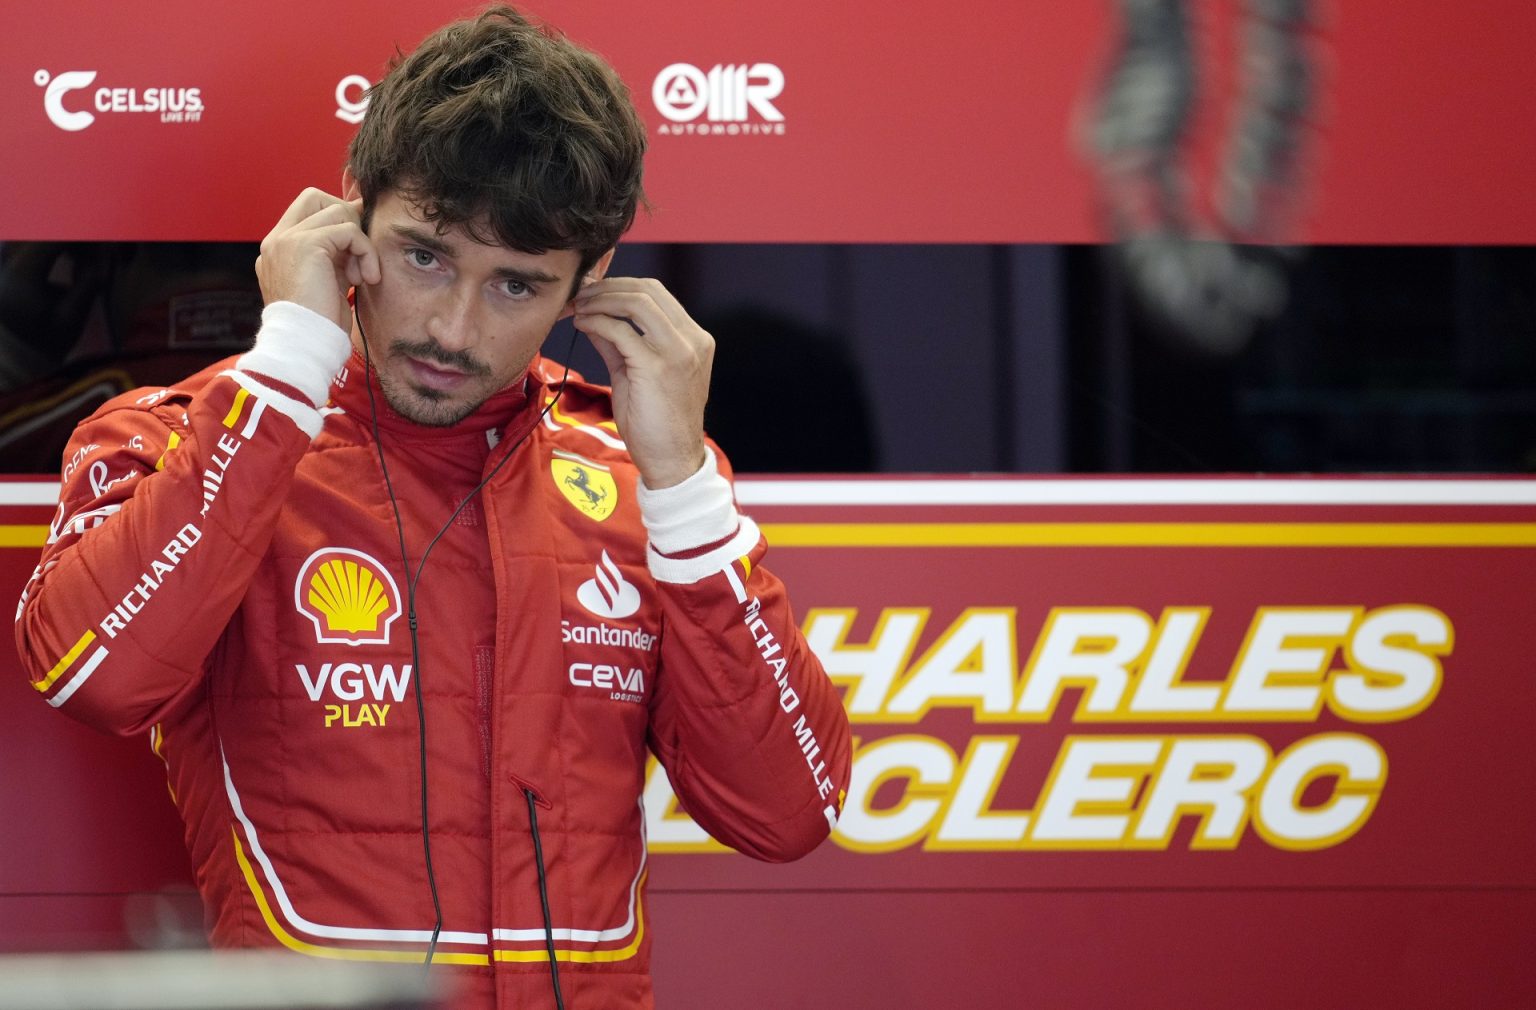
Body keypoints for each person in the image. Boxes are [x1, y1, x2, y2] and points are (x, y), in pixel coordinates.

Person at [13, 7, 852, 1008]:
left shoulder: (647, 479)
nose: (453, 328)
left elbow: (786, 813)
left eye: (516, 286)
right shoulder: (191, 439)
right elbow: (91, 677)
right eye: (425, 256)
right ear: (351, 215)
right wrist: (287, 372)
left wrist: (682, 486)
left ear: (591, 281)